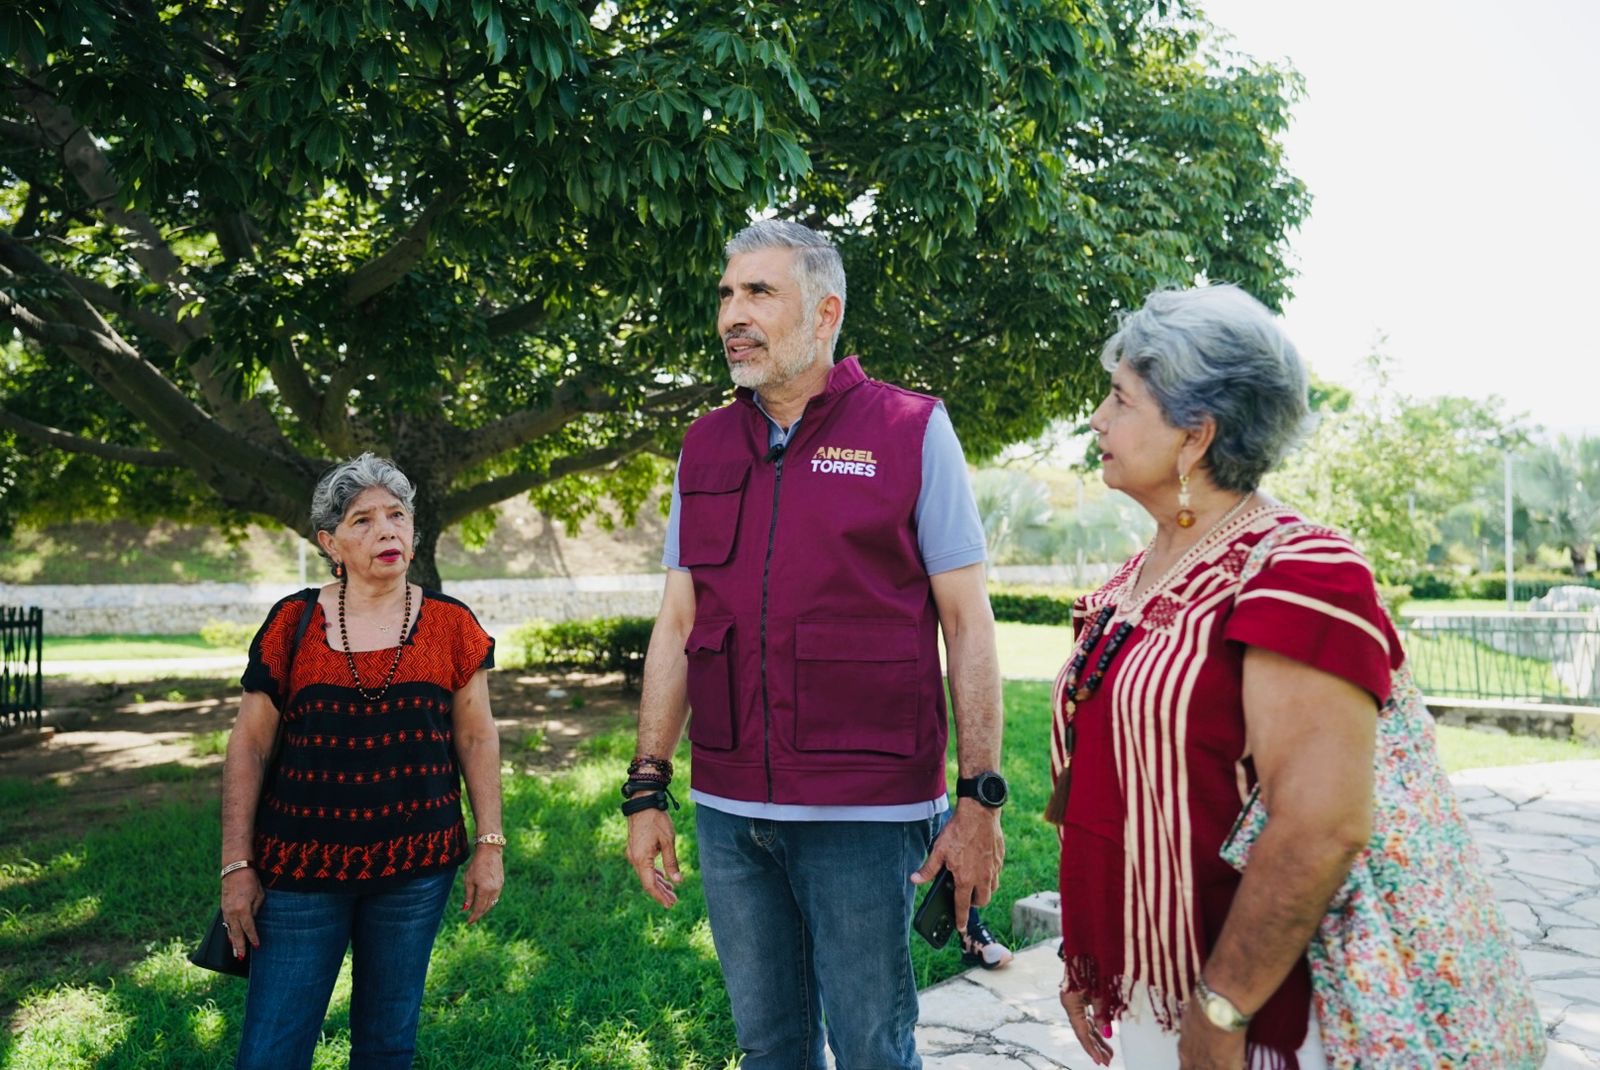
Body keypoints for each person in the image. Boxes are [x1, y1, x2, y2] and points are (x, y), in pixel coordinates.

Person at [623, 219, 1007, 1069]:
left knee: (873, 1045)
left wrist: (978, 798)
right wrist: (647, 786)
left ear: (825, 312)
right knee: (770, 1048)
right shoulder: (705, 444)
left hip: (866, 813)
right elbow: (678, 622)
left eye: (760, 292)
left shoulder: (913, 428)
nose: (733, 313)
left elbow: (968, 624)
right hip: (730, 812)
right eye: (726, 294)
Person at [1052, 285, 1394, 1070]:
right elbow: (1104, 782)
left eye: (1119, 399)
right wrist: (1088, 952)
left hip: (1249, 1019)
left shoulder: (1303, 571)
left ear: (1195, 436)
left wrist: (1219, 1011)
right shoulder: (1139, 573)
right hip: (1144, 987)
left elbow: (1321, 826)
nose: (1097, 420)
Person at [219, 454, 503, 1070]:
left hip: (416, 868)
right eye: (363, 520)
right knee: (271, 1049)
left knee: (386, 1044)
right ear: (330, 542)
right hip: (299, 872)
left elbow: (477, 739)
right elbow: (250, 743)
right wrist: (236, 864)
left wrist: (490, 843)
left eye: (398, 516)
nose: (386, 531)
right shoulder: (292, 622)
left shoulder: (452, 626)